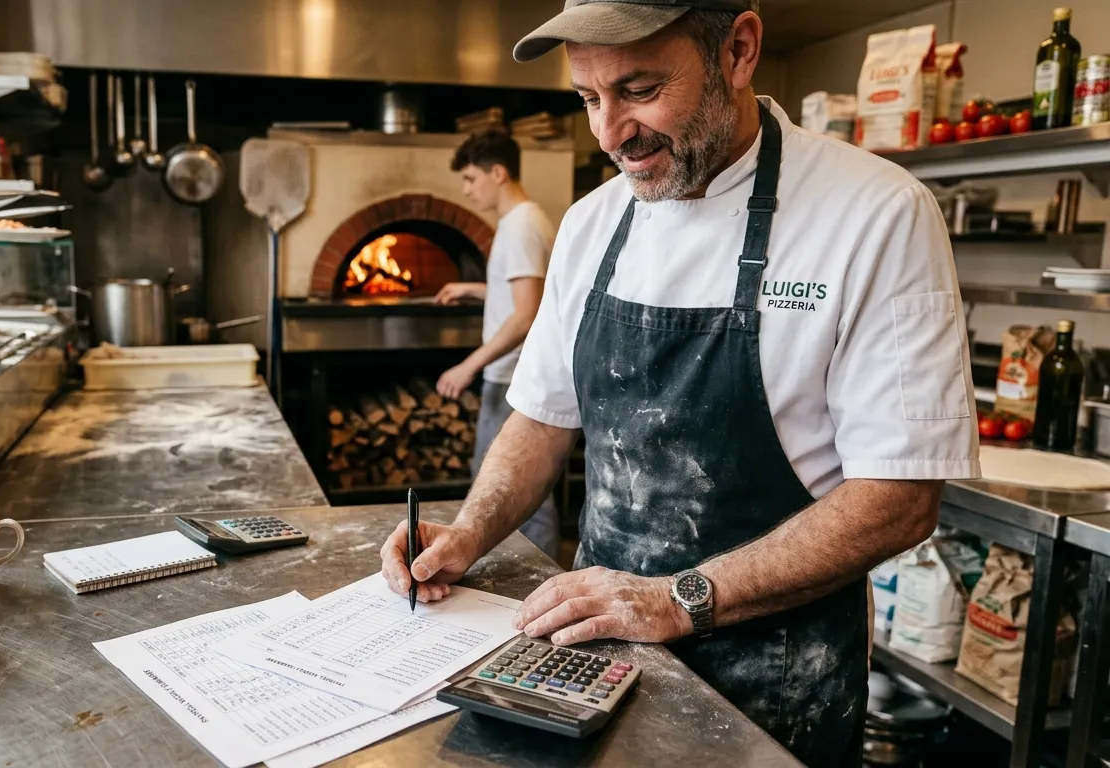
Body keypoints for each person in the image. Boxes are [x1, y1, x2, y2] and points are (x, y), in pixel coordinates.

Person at [380, 1, 979, 765]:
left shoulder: (876, 213)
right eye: (589, 99)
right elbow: (541, 416)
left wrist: (674, 600)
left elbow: (898, 500)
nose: (609, 132)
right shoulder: (592, 223)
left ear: (738, 49)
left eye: (637, 89)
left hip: (776, 684)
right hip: (596, 661)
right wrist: (469, 532)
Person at [434, 130, 561, 559]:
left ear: (498, 172)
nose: (466, 190)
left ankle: (533, 585)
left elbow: (526, 314)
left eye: (470, 179)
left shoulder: (521, 227)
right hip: (512, 373)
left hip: (511, 376)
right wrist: (471, 288)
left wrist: (468, 365)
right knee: (507, 486)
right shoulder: (524, 220)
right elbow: (522, 295)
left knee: (513, 488)